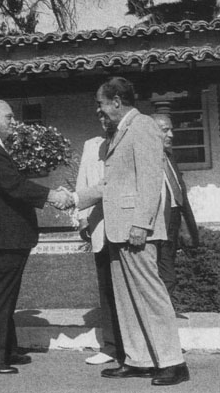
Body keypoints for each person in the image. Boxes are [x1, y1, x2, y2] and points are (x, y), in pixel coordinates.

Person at [74, 77, 189, 386]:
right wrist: (75, 198)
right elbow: (112, 184)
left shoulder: (143, 127)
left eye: (100, 103)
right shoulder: (119, 132)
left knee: (151, 295)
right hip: (117, 229)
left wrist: (141, 223)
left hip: (136, 229)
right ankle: (138, 359)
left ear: (116, 101)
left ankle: (173, 362)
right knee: (126, 298)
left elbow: (151, 180)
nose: (98, 110)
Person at [0, 99, 72, 374]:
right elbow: (12, 185)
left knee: (4, 297)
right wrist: (51, 196)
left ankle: (5, 350)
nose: (14, 122)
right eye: (9, 117)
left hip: (0, 237)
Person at [76, 118, 124, 366]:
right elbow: (83, 181)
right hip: (101, 228)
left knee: (128, 290)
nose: (106, 121)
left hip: (127, 228)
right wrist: (83, 219)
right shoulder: (91, 146)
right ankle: (112, 346)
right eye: (101, 117)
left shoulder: (130, 142)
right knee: (107, 288)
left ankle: (135, 346)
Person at [152, 113, 199, 303]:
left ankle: (160, 313)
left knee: (168, 272)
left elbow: (178, 189)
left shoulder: (169, 156)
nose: (171, 135)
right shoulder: (144, 159)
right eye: (165, 130)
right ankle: (157, 314)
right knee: (165, 276)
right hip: (155, 223)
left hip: (173, 219)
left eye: (171, 129)